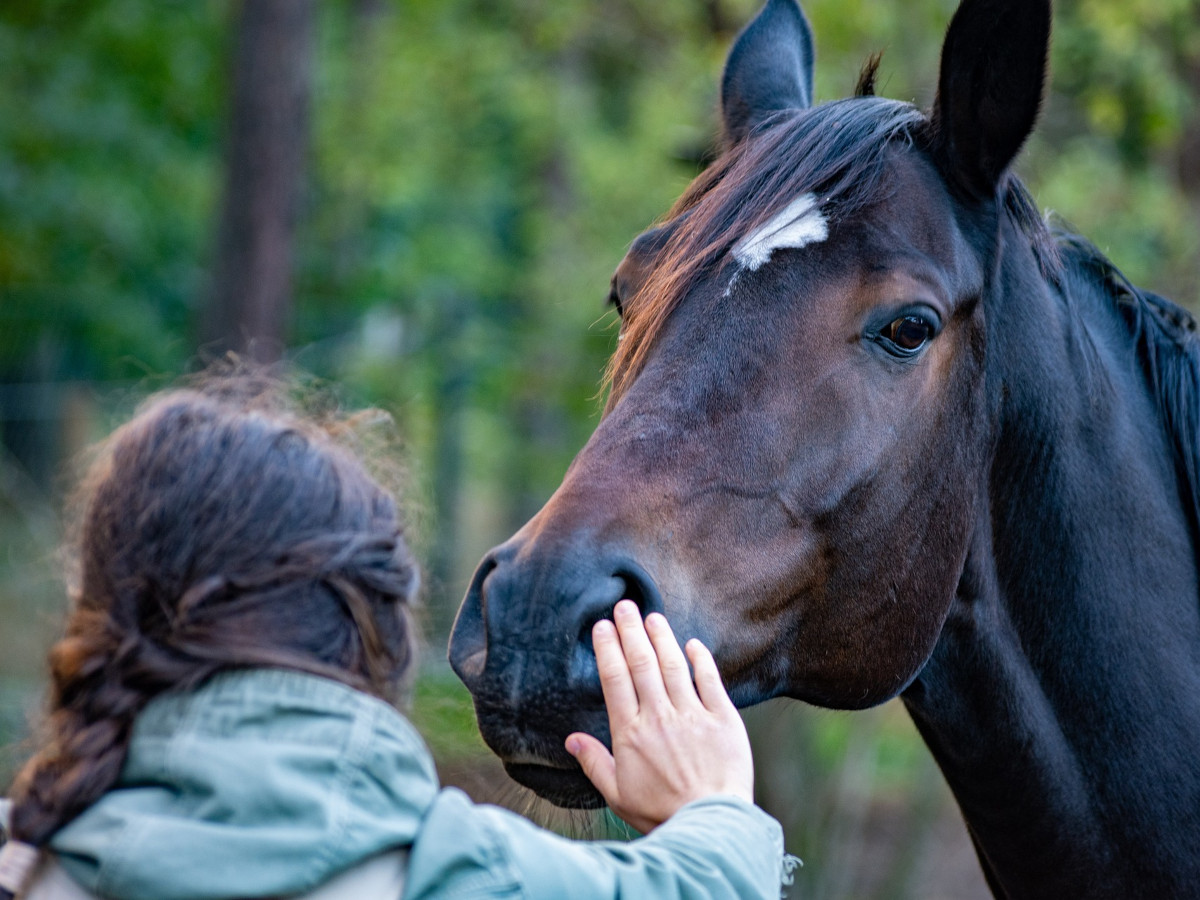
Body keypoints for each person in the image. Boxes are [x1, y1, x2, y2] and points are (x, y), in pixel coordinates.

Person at [0, 376, 786, 900]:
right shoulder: (485, 880)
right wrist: (715, 816)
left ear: (100, 620)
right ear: (376, 631)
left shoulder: (24, 864)